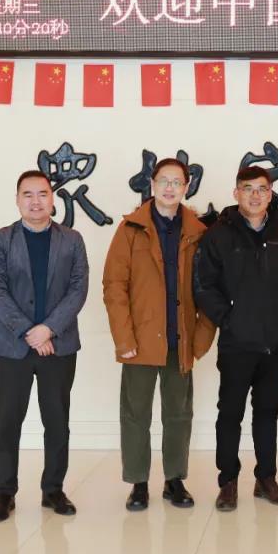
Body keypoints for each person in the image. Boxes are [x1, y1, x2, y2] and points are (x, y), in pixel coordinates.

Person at [103, 158, 216, 511]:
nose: (170, 188)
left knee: (179, 414)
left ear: (186, 187)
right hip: (139, 341)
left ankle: (174, 480)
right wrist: (124, 339)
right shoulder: (130, 229)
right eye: (163, 181)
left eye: (177, 182)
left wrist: (200, 340)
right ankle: (138, 483)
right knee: (135, 414)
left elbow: (211, 288)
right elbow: (114, 286)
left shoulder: (198, 232)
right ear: (152, 185)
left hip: (180, 340)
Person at [0, 170, 89, 523]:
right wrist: (29, 331)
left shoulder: (72, 240)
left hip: (58, 347)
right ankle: (4, 492)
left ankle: (53, 489)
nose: (35, 201)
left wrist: (49, 330)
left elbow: (78, 289)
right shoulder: (1, 240)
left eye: (42, 193)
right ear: (17, 200)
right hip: (10, 346)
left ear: (52, 199)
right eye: (27, 194)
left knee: (57, 421)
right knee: (7, 420)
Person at [193, 166, 278, 512]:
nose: (255, 195)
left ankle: (266, 478)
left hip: (274, 344)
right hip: (237, 343)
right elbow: (204, 285)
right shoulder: (218, 235)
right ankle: (228, 481)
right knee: (230, 413)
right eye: (248, 188)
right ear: (236, 193)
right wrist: (230, 320)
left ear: (270, 194)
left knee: (268, 412)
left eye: (262, 189)